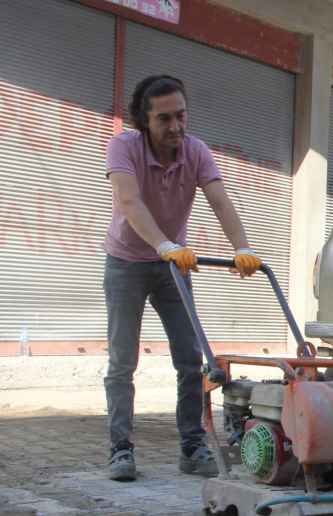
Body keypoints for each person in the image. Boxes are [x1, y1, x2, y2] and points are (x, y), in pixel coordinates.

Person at [101, 74, 262, 482]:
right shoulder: (124, 146)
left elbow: (221, 201)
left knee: (190, 359)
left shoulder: (196, 152)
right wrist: (162, 244)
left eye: (181, 116)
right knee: (123, 361)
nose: (175, 127)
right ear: (145, 120)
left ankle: (192, 446)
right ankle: (120, 449)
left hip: (174, 264)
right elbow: (129, 200)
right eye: (164, 119)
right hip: (128, 262)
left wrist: (242, 247)